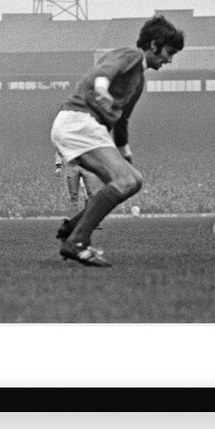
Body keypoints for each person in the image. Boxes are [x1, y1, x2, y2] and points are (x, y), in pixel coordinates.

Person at [50, 14, 185, 267]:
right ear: (154, 44)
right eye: (169, 51)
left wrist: (125, 152)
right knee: (128, 180)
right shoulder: (131, 55)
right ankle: (77, 242)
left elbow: (122, 121)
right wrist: (101, 90)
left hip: (76, 126)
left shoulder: (139, 80)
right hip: (79, 122)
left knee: (129, 180)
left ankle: (74, 227)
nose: (169, 59)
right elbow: (104, 72)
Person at [54, 148, 102, 216]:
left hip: (88, 166)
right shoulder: (67, 137)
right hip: (71, 167)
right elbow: (60, 149)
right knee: (73, 196)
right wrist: (58, 166)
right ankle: (73, 221)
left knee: (91, 195)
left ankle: (91, 221)